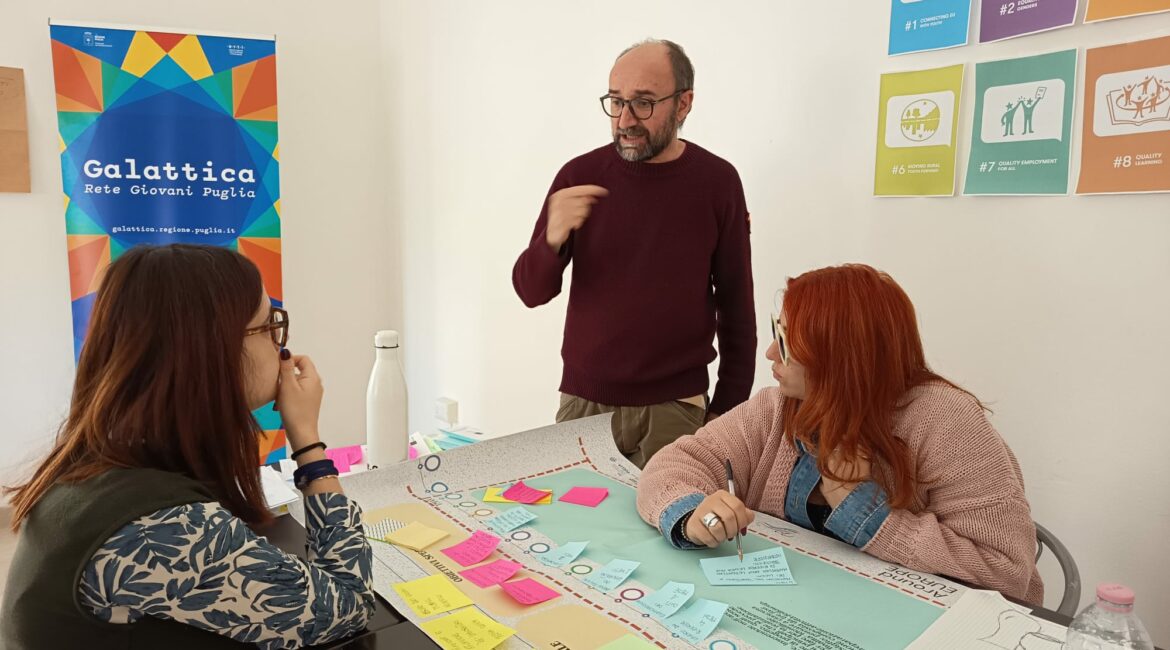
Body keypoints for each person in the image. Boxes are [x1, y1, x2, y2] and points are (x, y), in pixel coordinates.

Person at [1, 244, 374, 649]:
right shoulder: (159, 532)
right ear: (212, 351)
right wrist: (307, 440)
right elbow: (348, 603)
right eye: (267, 326)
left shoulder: (109, 452)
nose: (280, 343)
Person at [636, 264, 1044, 604]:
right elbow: (675, 463)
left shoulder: (947, 422)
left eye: (786, 342)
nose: (770, 353)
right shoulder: (777, 406)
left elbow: (1005, 571)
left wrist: (857, 505)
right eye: (777, 331)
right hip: (797, 608)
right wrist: (695, 517)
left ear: (839, 356)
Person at [512, 39, 755, 468]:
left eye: (643, 103)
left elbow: (737, 308)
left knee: (672, 514)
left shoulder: (718, 183)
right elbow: (531, 291)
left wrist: (727, 409)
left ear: (683, 104)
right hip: (583, 407)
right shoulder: (579, 175)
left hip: (676, 411)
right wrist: (551, 239)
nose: (625, 120)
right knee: (573, 513)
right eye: (616, 102)